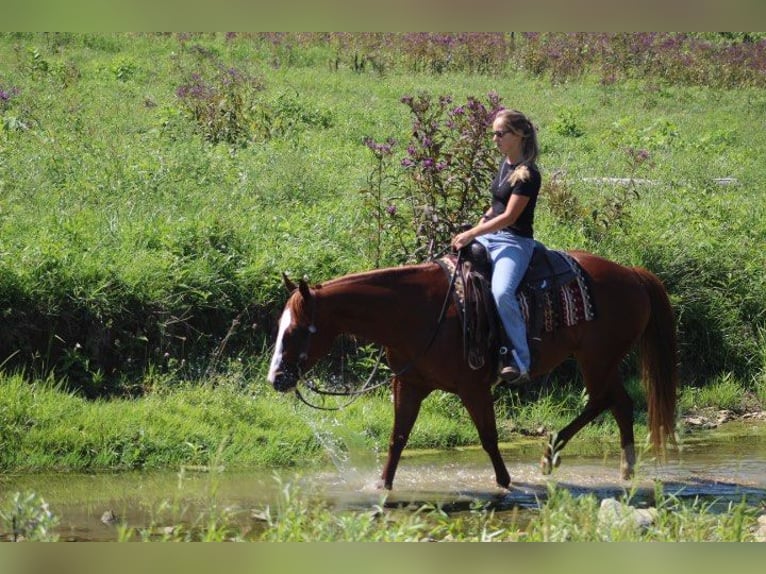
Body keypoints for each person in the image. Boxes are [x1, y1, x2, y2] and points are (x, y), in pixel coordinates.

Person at [451, 109, 541, 383]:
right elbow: (497, 206)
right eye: (494, 134)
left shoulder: (527, 174)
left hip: (514, 243)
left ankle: (520, 360)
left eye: (500, 134)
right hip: (492, 234)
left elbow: (510, 217)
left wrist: (473, 232)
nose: (495, 139)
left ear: (520, 135)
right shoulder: (506, 164)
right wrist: (480, 223)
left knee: (502, 292)